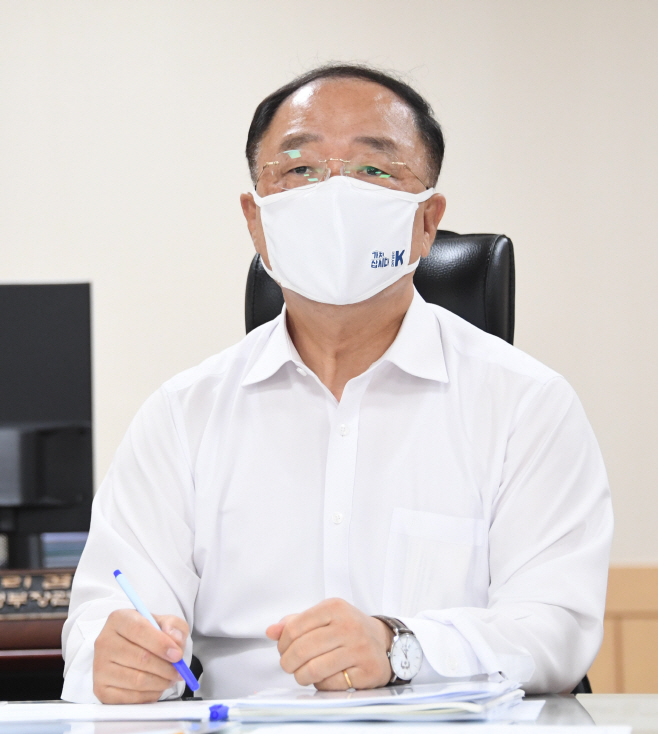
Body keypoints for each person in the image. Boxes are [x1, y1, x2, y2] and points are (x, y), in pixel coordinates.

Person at [62, 64, 613, 704]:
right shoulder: (183, 416)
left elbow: (555, 628)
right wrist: (116, 659)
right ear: (256, 220)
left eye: (374, 169)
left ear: (427, 221)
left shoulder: (525, 405)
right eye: (299, 169)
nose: (335, 196)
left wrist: (401, 647)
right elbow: (107, 610)